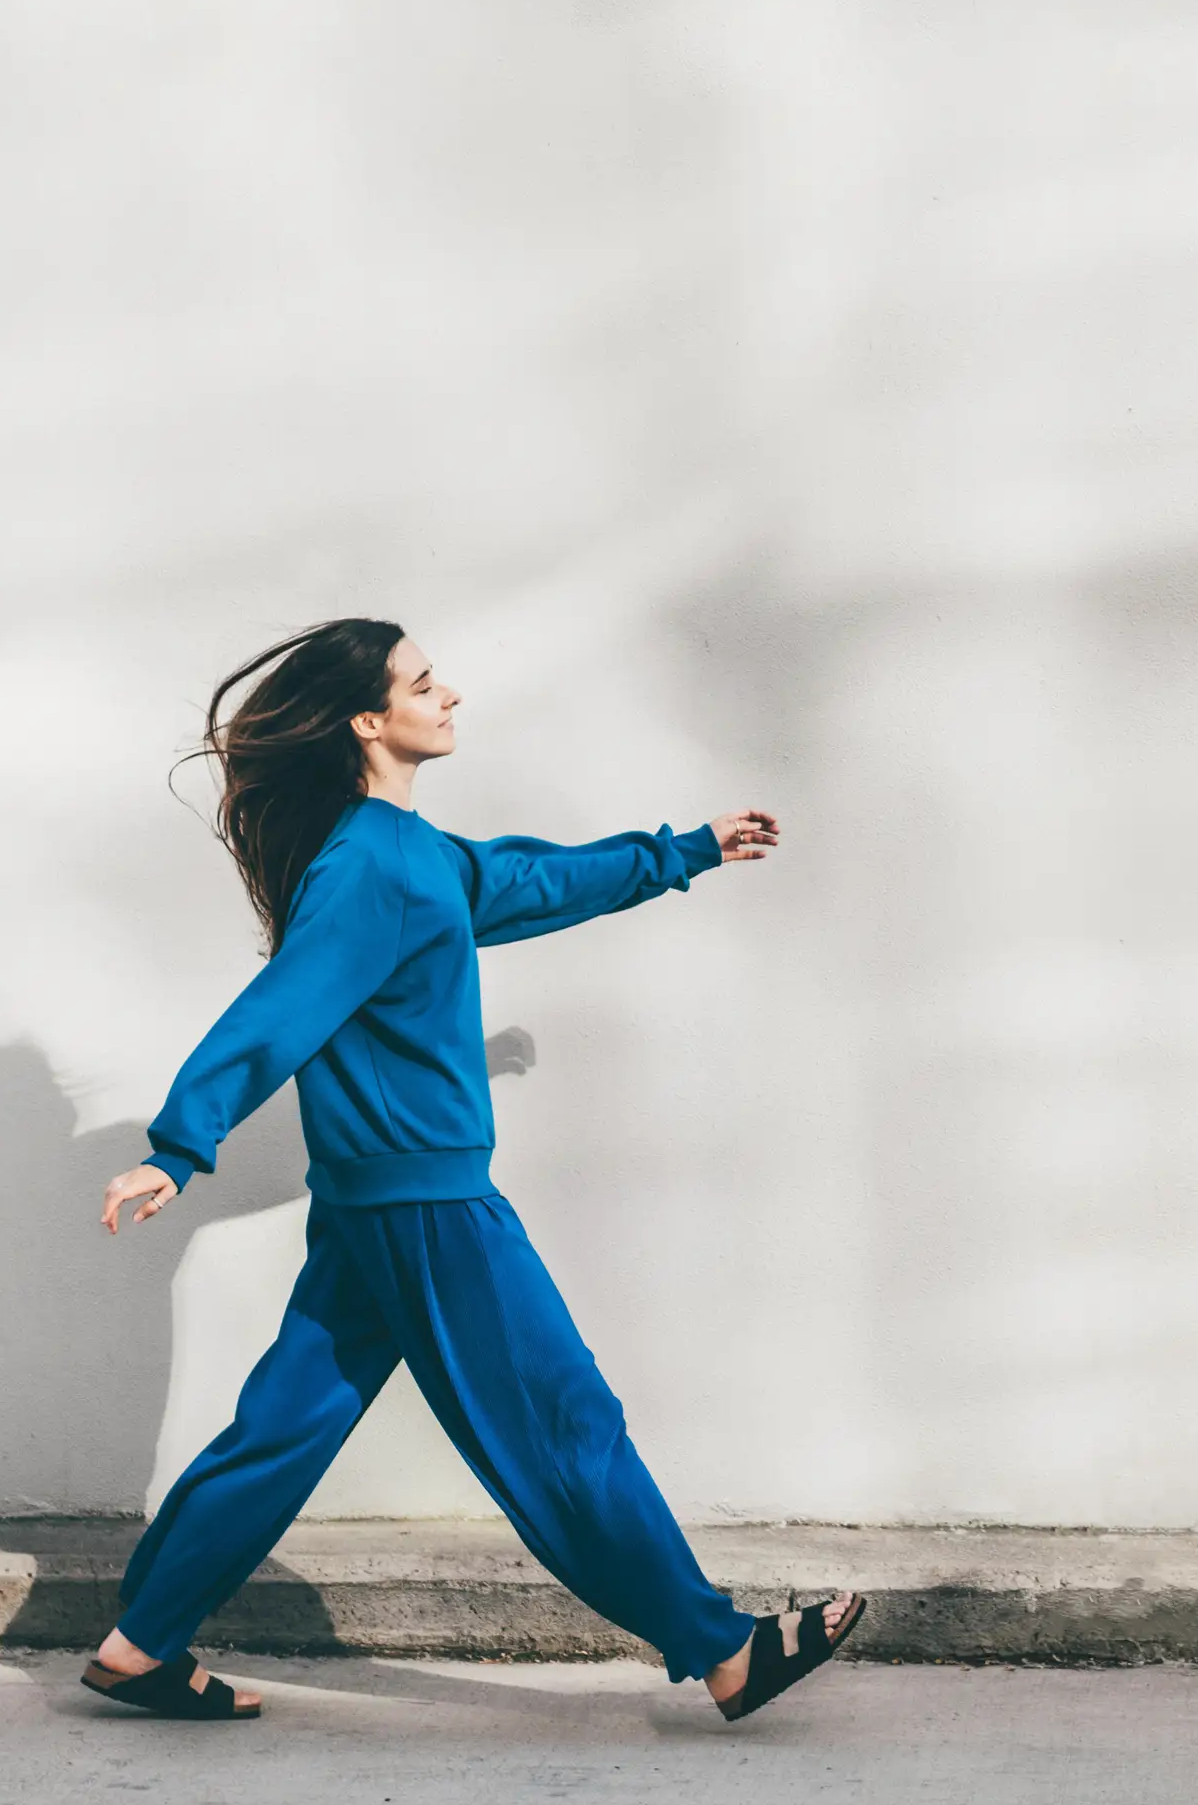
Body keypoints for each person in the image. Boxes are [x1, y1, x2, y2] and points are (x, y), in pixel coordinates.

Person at [79, 617, 862, 1724]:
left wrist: (682, 850)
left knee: (284, 1429)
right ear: (367, 720)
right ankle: (724, 1649)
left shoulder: (408, 853)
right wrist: (180, 1145)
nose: (448, 695)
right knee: (563, 1419)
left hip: (380, 1205)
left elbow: (527, 880)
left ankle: (141, 1642)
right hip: (429, 1207)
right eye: (422, 683)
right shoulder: (370, 865)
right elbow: (283, 1007)